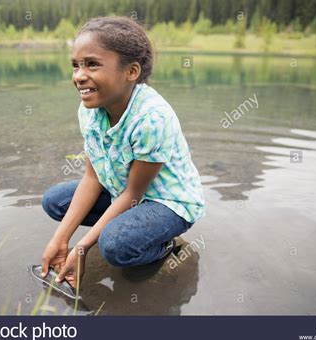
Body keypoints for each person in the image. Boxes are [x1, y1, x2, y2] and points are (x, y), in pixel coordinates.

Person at [41, 16, 205, 288]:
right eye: (76, 65)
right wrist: (60, 239)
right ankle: (130, 231)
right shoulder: (90, 110)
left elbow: (133, 195)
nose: (79, 75)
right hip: (123, 192)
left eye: (92, 64)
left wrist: (82, 248)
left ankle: (163, 245)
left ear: (131, 72)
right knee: (54, 201)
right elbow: (92, 179)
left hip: (167, 202)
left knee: (116, 246)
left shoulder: (152, 118)